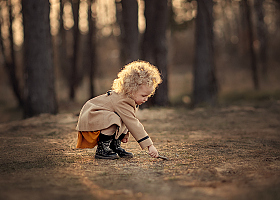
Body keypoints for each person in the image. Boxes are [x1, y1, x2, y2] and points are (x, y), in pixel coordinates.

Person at [76, 60, 162, 159]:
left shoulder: (129, 99)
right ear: (131, 89)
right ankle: (103, 149)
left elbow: (127, 119)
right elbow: (133, 123)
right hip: (90, 118)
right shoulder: (122, 100)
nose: (146, 99)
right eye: (143, 95)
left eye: (148, 96)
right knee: (113, 118)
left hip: (97, 119)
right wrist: (149, 146)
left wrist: (123, 135)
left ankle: (113, 146)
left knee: (119, 117)